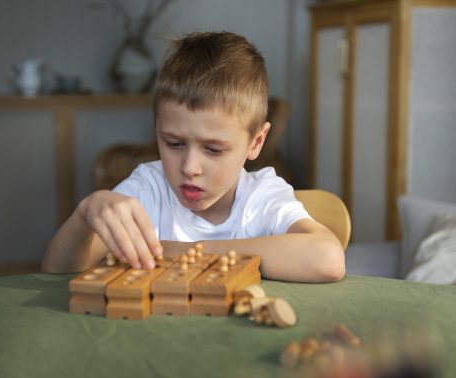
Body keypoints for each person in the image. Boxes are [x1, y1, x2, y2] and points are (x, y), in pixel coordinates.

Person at [42, 31, 345, 283]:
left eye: (213, 149)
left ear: (256, 142)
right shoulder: (148, 188)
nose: (189, 168)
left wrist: (185, 251)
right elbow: (58, 271)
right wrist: (85, 215)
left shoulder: (262, 197)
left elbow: (327, 258)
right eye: (174, 143)